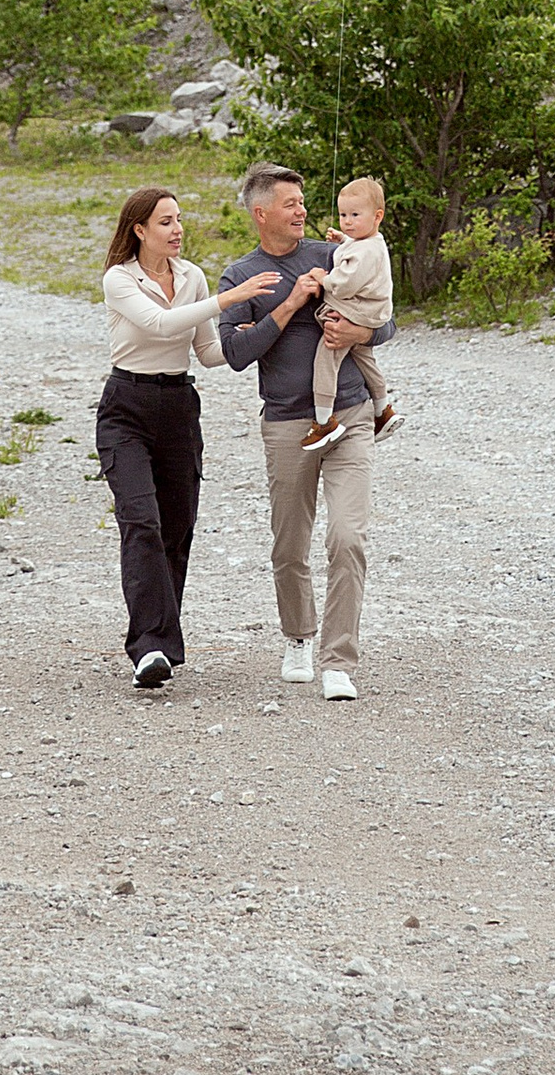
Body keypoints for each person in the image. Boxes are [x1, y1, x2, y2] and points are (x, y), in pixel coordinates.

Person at [213, 158, 394, 702]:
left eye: (303, 201)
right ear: (261, 212)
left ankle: (339, 660)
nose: (303, 211)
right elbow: (234, 354)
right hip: (288, 423)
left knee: (348, 537)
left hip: (351, 415)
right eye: (291, 204)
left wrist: (355, 330)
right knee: (290, 542)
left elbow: (386, 321)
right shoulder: (239, 276)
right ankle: (298, 636)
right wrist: (289, 305)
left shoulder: (334, 254)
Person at [95, 185, 229, 693]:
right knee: (141, 521)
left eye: (179, 220)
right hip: (126, 406)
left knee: (176, 528)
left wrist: (274, 325)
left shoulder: (191, 276)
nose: (177, 230)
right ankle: (149, 645)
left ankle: (160, 648)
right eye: (166, 222)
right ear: (140, 230)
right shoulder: (118, 279)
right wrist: (229, 297)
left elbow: (209, 352)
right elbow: (157, 324)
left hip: (178, 407)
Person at [299, 173, 399, 458]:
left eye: (355, 215)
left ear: (377, 216)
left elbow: (345, 284)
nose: (348, 220)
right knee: (364, 357)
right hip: (372, 311)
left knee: (327, 355)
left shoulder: (365, 251)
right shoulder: (371, 241)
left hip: (357, 310)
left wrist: (323, 278)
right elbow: (358, 251)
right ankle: (383, 409)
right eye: (344, 214)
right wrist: (343, 239)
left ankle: (323, 421)